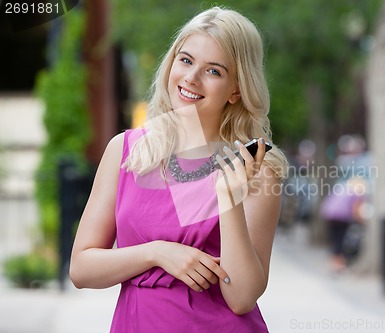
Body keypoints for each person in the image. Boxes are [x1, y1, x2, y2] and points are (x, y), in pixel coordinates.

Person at [69, 6, 288, 333]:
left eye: (213, 71)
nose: (191, 78)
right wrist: (156, 253)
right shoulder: (127, 151)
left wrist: (229, 195)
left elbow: (242, 297)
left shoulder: (255, 168)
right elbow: (81, 268)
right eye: (185, 60)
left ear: (237, 90)